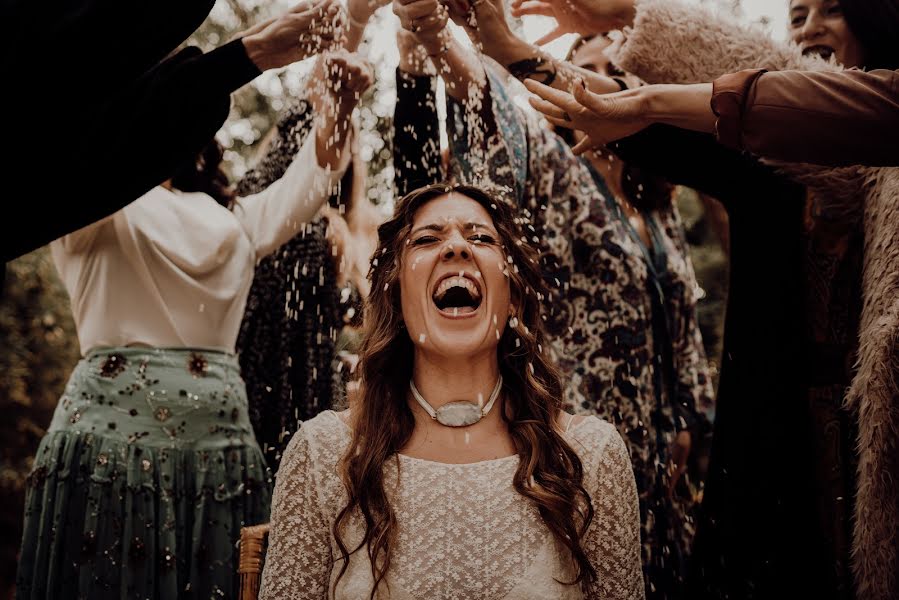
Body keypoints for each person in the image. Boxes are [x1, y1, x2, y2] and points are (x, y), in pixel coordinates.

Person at [516, 0, 899, 598]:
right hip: (711, 450)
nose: (810, 27)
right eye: (797, 14)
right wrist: (505, 46)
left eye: (833, 8)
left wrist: (688, 412)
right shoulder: (775, 175)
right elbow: (667, 116)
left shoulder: (873, 133)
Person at [14, 49, 371, 599]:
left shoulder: (234, 217)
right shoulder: (89, 202)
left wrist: (338, 106)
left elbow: (310, 181)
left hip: (218, 455)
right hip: (108, 451)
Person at [391, 3, 714, 597]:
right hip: (580, 430)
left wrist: (692, 418)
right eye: (580, 71)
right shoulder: (560, 172)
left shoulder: (659, 205)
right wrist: (438, 35)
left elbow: (683, 314)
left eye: (612, 75)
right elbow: (489, 106)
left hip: (660, 435)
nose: (592, 85)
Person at [259, 183, 645, 599]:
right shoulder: (324, 455)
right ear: (396, 293)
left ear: (513, 296)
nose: (457, 247)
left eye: (480, 237)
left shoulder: (591, 458)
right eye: (427, 239)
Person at [0, 0, 344, 265]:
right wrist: (248, 54)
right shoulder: (108, 200)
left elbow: (294, 194)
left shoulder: (225, 216)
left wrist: (252, 54)